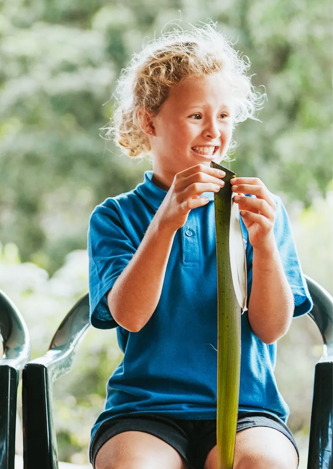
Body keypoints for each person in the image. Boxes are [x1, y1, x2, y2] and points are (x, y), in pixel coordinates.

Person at [87, 25, 313, 469]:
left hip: (247, 411)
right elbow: (130, 316)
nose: (213, 131)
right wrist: (164, 223)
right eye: (196, 116)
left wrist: (264, 245)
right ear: (148, 122)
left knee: (263, 464)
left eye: (225, 116)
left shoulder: (258, 211)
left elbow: (271, 328)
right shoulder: (115, 217)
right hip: (144, 411)